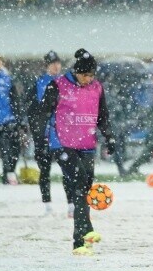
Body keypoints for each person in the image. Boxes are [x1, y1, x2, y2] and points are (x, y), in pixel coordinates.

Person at [36, 49, 117, 255]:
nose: (88, 79)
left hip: (87, 145)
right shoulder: (58, 85)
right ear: (76, 71)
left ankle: (86, 232)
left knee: (85, 188)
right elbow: (42, 114)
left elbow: (103, 117)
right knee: (80, 181)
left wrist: (109, 137)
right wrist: (40, 141)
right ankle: (79, 240)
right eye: (85, 75)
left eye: (91, 75)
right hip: (63, 144)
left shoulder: (97, 88)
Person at [25, 51, 68, 213]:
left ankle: (71, 204)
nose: (56, 66)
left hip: (63, 134)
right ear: (46, 66)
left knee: (68, 170)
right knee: (45, 170)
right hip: (43, 134)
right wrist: (36, 127)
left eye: (58, 63)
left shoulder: (66, 83)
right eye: (52, 63)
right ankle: (47, 204)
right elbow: (30, 108)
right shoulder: (38, 83)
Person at [0, 54, 22, 185]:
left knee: (10, 150)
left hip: (7, 120)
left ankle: (9, 174)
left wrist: (19, 119)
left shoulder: (7, 78)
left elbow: (15, 100)